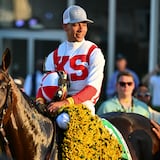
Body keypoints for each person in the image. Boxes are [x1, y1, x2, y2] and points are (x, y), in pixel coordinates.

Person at [36, 5, 105, 115]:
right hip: (56, 104)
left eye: (84, 24)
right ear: (65, 27)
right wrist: (39, 101)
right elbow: (44, 85)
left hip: (83, 104)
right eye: (75, 24)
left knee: (64, 121)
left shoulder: (94, 52)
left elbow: (93, 88)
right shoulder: (53, 56)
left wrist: (66, 102)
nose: (81, 29)